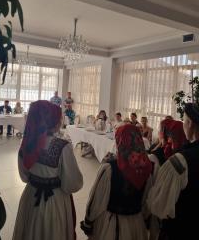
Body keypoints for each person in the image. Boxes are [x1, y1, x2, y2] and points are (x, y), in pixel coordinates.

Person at [13, 100, 83, 240]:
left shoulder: (27, 143)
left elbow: (24, 177)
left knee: (30, 231)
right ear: (53, 122)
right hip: (54, 201)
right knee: (52, 231)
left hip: (31, 196)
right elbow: (72, 184)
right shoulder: (63, 147)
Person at [81, 124, 152, 240]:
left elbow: (97, 200)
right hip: (136, 225)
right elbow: (146, 202)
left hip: (112, 225)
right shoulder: (146, 169)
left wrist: (88, 222)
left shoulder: (110, 169)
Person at [147, 103, 199, 240]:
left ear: (190, 123)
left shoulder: (180, 161)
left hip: (181, 230)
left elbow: (159, 205)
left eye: (184, 120)